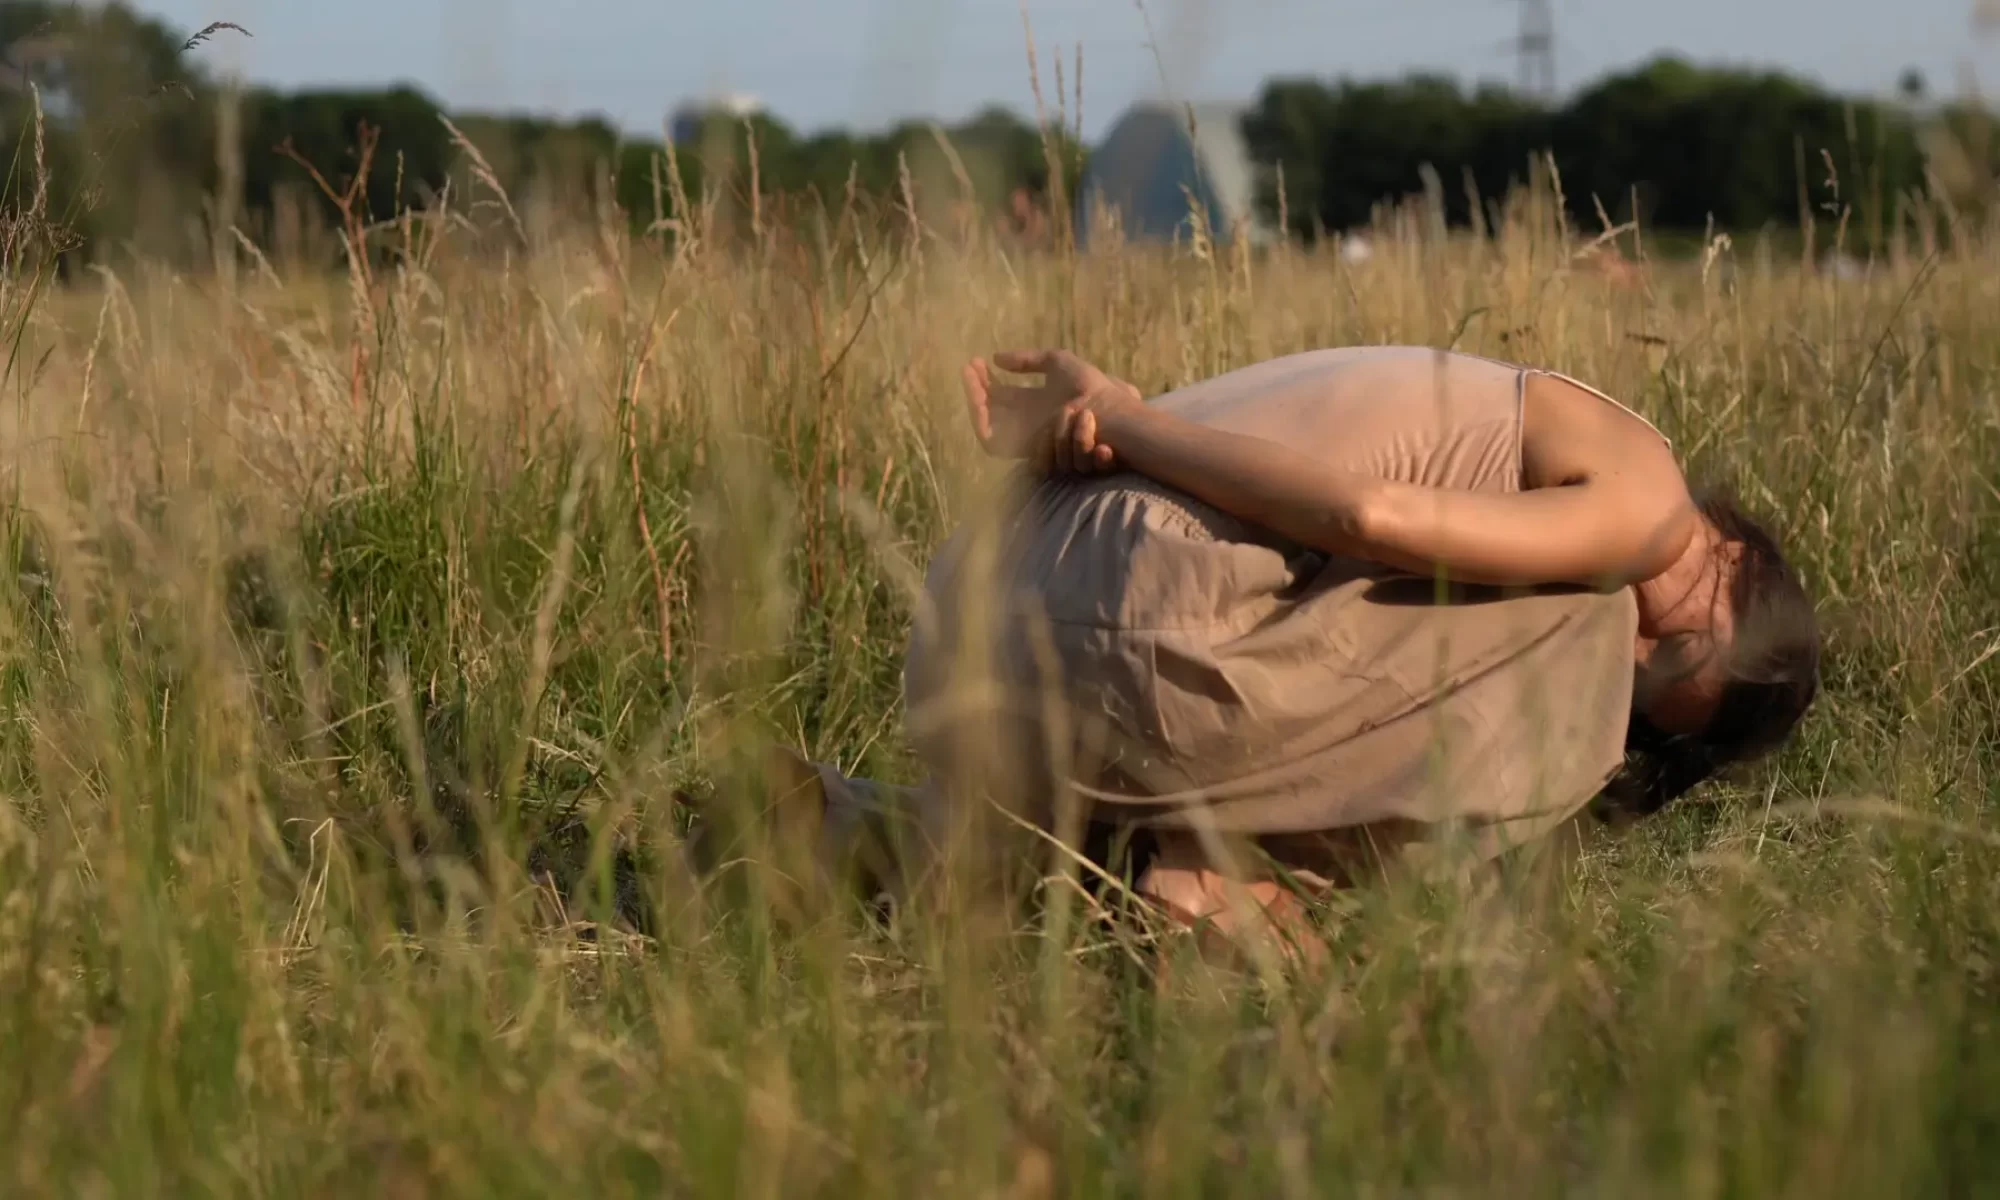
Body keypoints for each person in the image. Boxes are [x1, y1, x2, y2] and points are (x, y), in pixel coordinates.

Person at [762, 345, 1821, 961]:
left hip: (975, 593)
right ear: (1738, 585)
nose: (1641, 647)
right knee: (1570, 664)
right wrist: (1125, 421)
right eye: (1675, 652)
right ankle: (1219, 885)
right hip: (1130, 622)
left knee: (1062, 861)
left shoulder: (1529, 409)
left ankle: (840, 828)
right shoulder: (1647, 513)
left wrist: (1121, 417)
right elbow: (1367, 513)